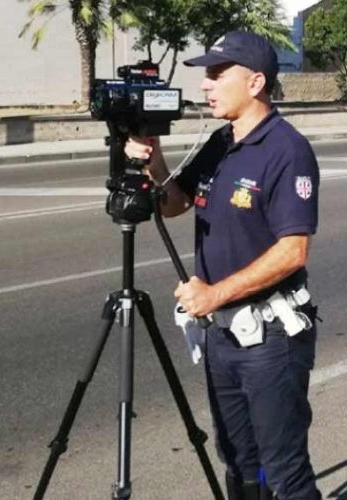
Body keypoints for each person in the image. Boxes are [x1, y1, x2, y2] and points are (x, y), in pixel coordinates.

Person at [125, 31, 321, 500]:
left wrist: (214, 294)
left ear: (255, 82)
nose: (206, 86)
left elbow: (293, 250)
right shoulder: (220, 142)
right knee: (237, 460)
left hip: (271, 339)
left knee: (285, 471)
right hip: (222, 336)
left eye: (217, 74)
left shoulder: (287, 150)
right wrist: (153, 160)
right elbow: (174, 204)